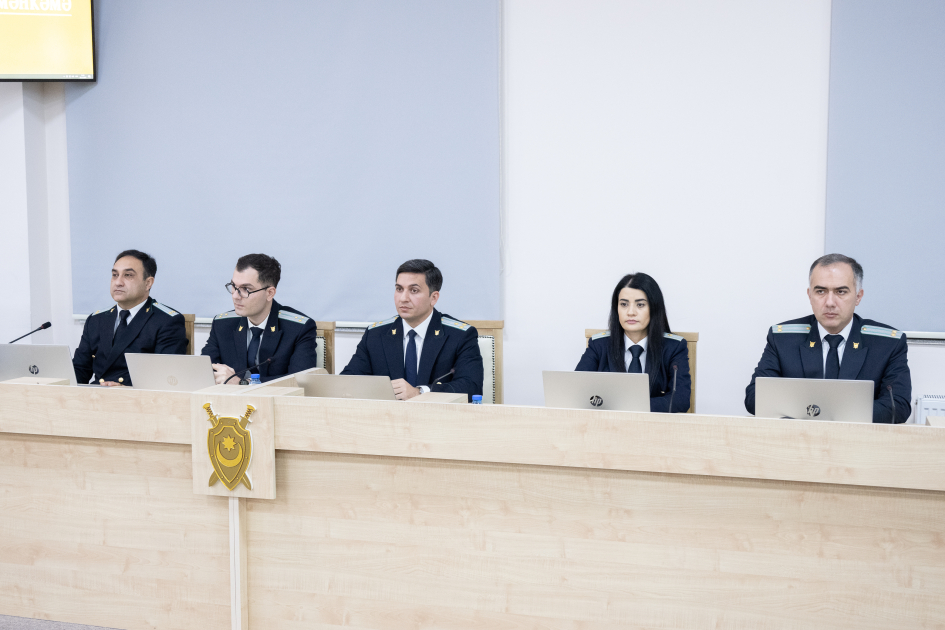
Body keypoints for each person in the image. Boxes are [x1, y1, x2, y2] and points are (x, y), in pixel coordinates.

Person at [745, 253, 910, 423]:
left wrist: (822, 412)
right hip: (798, 440)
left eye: (841, 292)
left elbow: (897, 406)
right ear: (810, 295)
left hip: (857, 442)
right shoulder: (782, 339)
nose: (830, 302)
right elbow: (754, 397)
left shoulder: (888, 343)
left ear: (858, 296)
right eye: (821, 291)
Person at [341, 259, 484, 401]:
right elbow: (348, 381)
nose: (403, 298)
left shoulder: (460, 335)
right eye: (399, 289)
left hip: (438, 418)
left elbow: (471, 387)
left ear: (433, 298)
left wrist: (420, 392)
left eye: (414, 290)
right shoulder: (376, 335)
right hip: (386, 418)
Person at [575, 273, 691, 413]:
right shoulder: (599, 345)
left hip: (654, 428)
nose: (630, 312)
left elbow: (680, 400)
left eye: (640, 304)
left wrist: (624, 406)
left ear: (654, 308)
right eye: (624, 304)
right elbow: (577, 392)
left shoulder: (674, 347)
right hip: (608, 427)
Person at [73, 250, 188, 386]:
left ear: (148, 283)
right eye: (115, 275)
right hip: (95, 398)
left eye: (128, 275)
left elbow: (166, 380)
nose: (118, 282)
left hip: (138, 401)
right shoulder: (96, 319)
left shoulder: (167, 321)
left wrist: (127, 391)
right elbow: (80, 370)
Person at [202, 253, 318, 384]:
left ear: (270, 293)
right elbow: (203, 371)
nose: (235, 295)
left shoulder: (299, 328)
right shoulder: (222, 324)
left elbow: (301, 382)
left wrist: (242, 383)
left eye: (245, 289)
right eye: (234, 286)